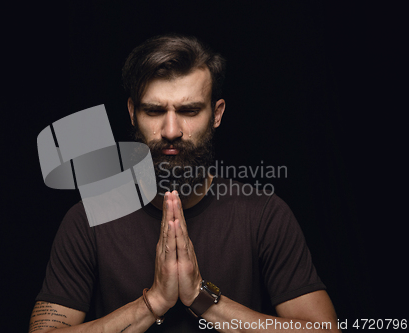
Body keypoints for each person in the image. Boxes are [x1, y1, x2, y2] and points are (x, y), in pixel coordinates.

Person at [29, 34, 340, 332]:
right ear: (132, 112)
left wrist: (201, 298)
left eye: (189, 110)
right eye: (154, 110)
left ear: (216, 114)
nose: (171, 130)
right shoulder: (87, 219)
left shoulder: (265, 215)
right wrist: (153, 303)